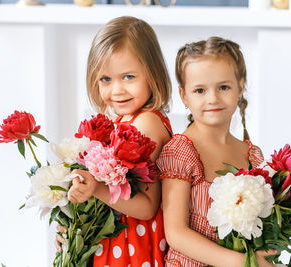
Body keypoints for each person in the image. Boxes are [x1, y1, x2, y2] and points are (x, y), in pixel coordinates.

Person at [55, 16, 172, 266]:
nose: (116, 90)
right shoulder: (120, 122)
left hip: (134, 246)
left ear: (153, 74)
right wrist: (75, 223)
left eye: (128, 77)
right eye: (105, 79)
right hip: (115, 242)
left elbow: (147, 207)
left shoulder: (146, 123)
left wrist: (97, 189)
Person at [156, 37, 276, 267]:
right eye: (200, 90)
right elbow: (176, 234)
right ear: (184, 96)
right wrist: (245, 263)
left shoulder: (252, 155)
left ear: (240, 87)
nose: (212, 98)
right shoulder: (181, 152)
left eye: (223, 87)